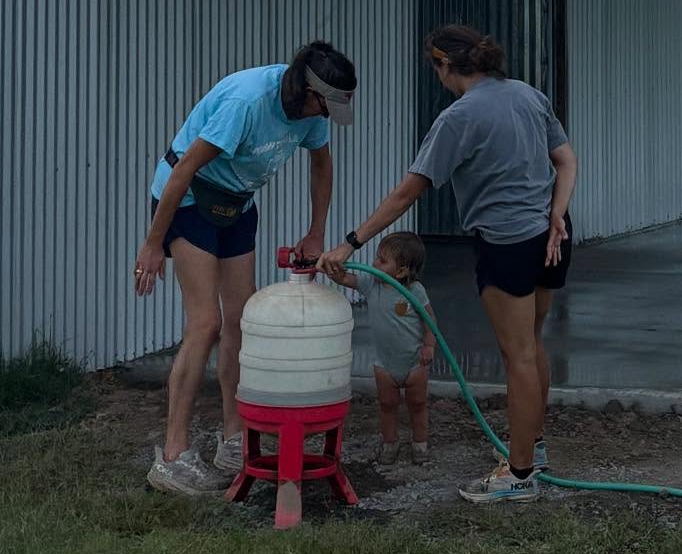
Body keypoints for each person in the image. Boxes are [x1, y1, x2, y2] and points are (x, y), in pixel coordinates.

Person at [319, 25, 576, 506]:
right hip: (554, 235)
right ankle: (533, 449)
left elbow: (406, 193)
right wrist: (558, 211)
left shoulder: (458, 117)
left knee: (517, 355)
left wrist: (351, 242)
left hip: (507, 242)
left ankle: (518, 475)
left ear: (444, 67)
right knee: (532, 343)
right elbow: (566, 160)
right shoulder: (527, 95)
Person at [134, 41, 357, 497]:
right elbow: (183, 171)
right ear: (304, 89)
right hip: (190, 199)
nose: (325, 116)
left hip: (236, 204)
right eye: (324, 105)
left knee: (241, 319)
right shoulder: (248, 101)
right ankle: (173, 457)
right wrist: (154, 243)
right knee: (206, 322)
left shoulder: (312, 114)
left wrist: (317, 232)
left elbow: (321, 165)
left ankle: (234, 441)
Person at [326, 230, 435, 467]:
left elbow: (430, 321)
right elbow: (347, 279)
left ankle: (420, 444)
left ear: (402, 271)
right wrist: (334, 271)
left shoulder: (415, 291)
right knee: (386, 405)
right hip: (384, 363)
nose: (374, 263)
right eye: (377, 257)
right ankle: (390, 444)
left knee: (417, 404)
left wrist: (429, 345)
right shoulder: (371, 284)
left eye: (382, 261)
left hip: (414, 361)